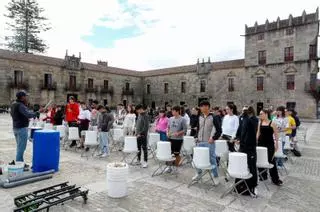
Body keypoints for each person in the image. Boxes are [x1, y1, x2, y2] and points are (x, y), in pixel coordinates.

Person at [10, 90, 42, 169]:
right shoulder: (20, 105)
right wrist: (37, 113)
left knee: (19, 147)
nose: (27, 97)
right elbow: (28, 114)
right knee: (21, 148)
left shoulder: (13, 104)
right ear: (22, 97)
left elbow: (14, 114)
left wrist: (22, 118)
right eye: (25, 96)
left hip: (16, 128)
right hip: (21, 129)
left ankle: (21, 163)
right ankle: (18, 165)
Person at [192, 100, 220, 184]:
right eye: (200, 106)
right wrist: (196, 136)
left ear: (207, 107)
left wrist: (213, 138)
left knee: (212, 159)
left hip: (209, 142)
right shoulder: (200, 116)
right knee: (198, 158)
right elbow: (198, 128)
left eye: (202, 106)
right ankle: (199, 173)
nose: (200, 108)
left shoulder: (214, 117)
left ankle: (215, 176)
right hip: (200, 141)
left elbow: (219, 130)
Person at [235, 106, 259, 196]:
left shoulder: (254, 120)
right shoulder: (243, 119)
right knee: (241, 165)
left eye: (245, 111)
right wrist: (238, 138)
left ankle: (253, 186)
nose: (243, 112)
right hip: (242, 147)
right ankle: (240, 185)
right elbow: (240, 130)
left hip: (250, 148)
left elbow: (252, 134)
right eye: (243, 110)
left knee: (252, 167)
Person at [257, 109, 283, 186]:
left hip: (269, 144)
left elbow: (276, 134)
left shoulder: (272, 123)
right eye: (259, 114)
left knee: (271, 161)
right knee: (260, 159)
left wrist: (277, 144)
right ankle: (263, 176)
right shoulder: (260, 122)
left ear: (266, 114)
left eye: (261, 114)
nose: (260, 115)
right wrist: (256, 142)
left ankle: (275, 179)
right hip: (260, 143)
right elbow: (258, 133)